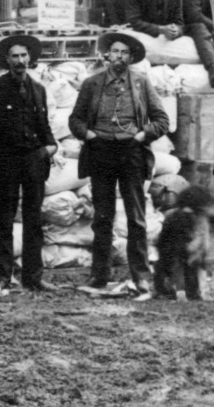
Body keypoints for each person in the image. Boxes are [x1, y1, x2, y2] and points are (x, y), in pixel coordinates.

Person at [68, 31, 171, 295]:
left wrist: (141, 135)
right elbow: (75, 120)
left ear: (131, 57)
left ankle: (141, 276)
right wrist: (89, 134)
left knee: (136, 217)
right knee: (103, 217)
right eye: (115, 51)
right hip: (100, 151)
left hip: (131, 153)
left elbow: (162, 120)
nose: (119, 57)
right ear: (107, 54)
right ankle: (100, 276)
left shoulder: (141, 82)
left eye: (124, 53)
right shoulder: (92, 83)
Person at [0, 34, 60, 294]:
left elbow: (44, 125)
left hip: (34, 159)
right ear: (6, 60)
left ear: (30, 58)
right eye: (15, 56)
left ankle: (34, 277)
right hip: (6, 159)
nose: (20, 60)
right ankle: (3, 276)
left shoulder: (39, 89)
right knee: (5, 219)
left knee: (34, 219)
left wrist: (50, 146)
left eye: (24, 56)